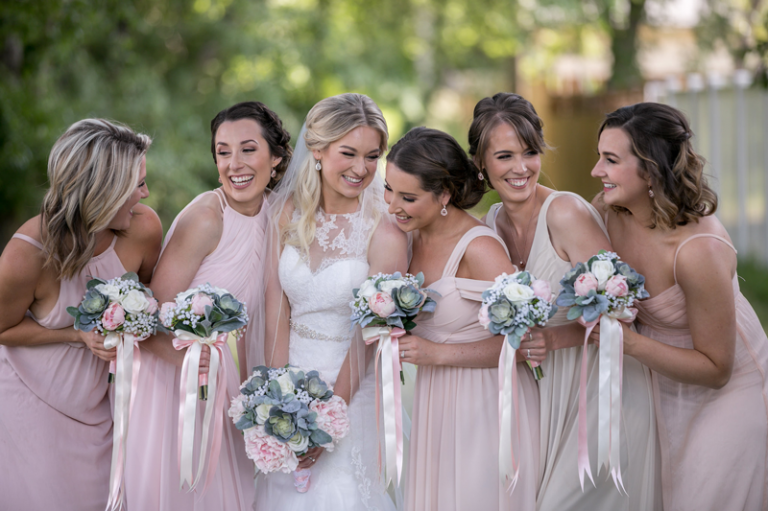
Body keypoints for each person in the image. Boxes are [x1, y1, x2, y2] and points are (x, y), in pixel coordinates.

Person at [470, 92, 661, 510]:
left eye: (530, 152)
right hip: (545, 403)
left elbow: (624, 310)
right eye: (504, 156)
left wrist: (554, 340)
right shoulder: (489, 225)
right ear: (481, 163)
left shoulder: (565, 213)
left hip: (600, 396)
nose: (521, 168)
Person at [591, 102, 767, 511]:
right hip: (659, 386)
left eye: (611, 160)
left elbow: (717, 369)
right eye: (599, 156)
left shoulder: (698, 249)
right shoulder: (611, 212)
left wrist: (629, 345)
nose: (597, 170)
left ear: (651, 169)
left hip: (727, 395)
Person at [124, 101, 292, 510]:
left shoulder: (278, 217)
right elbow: (150, 319)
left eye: (248, 149)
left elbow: (265, 318)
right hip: (174, 385)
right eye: (223, 151)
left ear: (276, 158)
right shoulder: (206, 218)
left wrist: (261, 395)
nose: (234, 163)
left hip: (228, 383)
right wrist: (193, 370)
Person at [255, 92, 407, 510]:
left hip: (351, 386)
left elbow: (369, 335)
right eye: (349, 153)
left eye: (372, 156)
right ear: (317, 150)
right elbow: (276, 308)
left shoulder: (385, 232)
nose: (362, 168)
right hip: (289, 384)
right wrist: (276, 398)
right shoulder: (285, 213)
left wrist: (329, 416)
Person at [0, 119, 161, 511]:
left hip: (107, 408)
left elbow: (154, 301)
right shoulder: (27, 253)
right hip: (31, 405)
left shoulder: (145, 229)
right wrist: (76, 335)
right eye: (136, 185)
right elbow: (2, 328)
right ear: (102, 190)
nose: (146, 193)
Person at [384, 126, 530, 510]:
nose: (392, 205)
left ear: (444, 195)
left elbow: (521, 343)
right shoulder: (408, 237)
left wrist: (436, 354)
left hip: (482, 405)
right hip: (435, 400)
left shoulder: (479, 248)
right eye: (389, 190)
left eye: (408, 197)